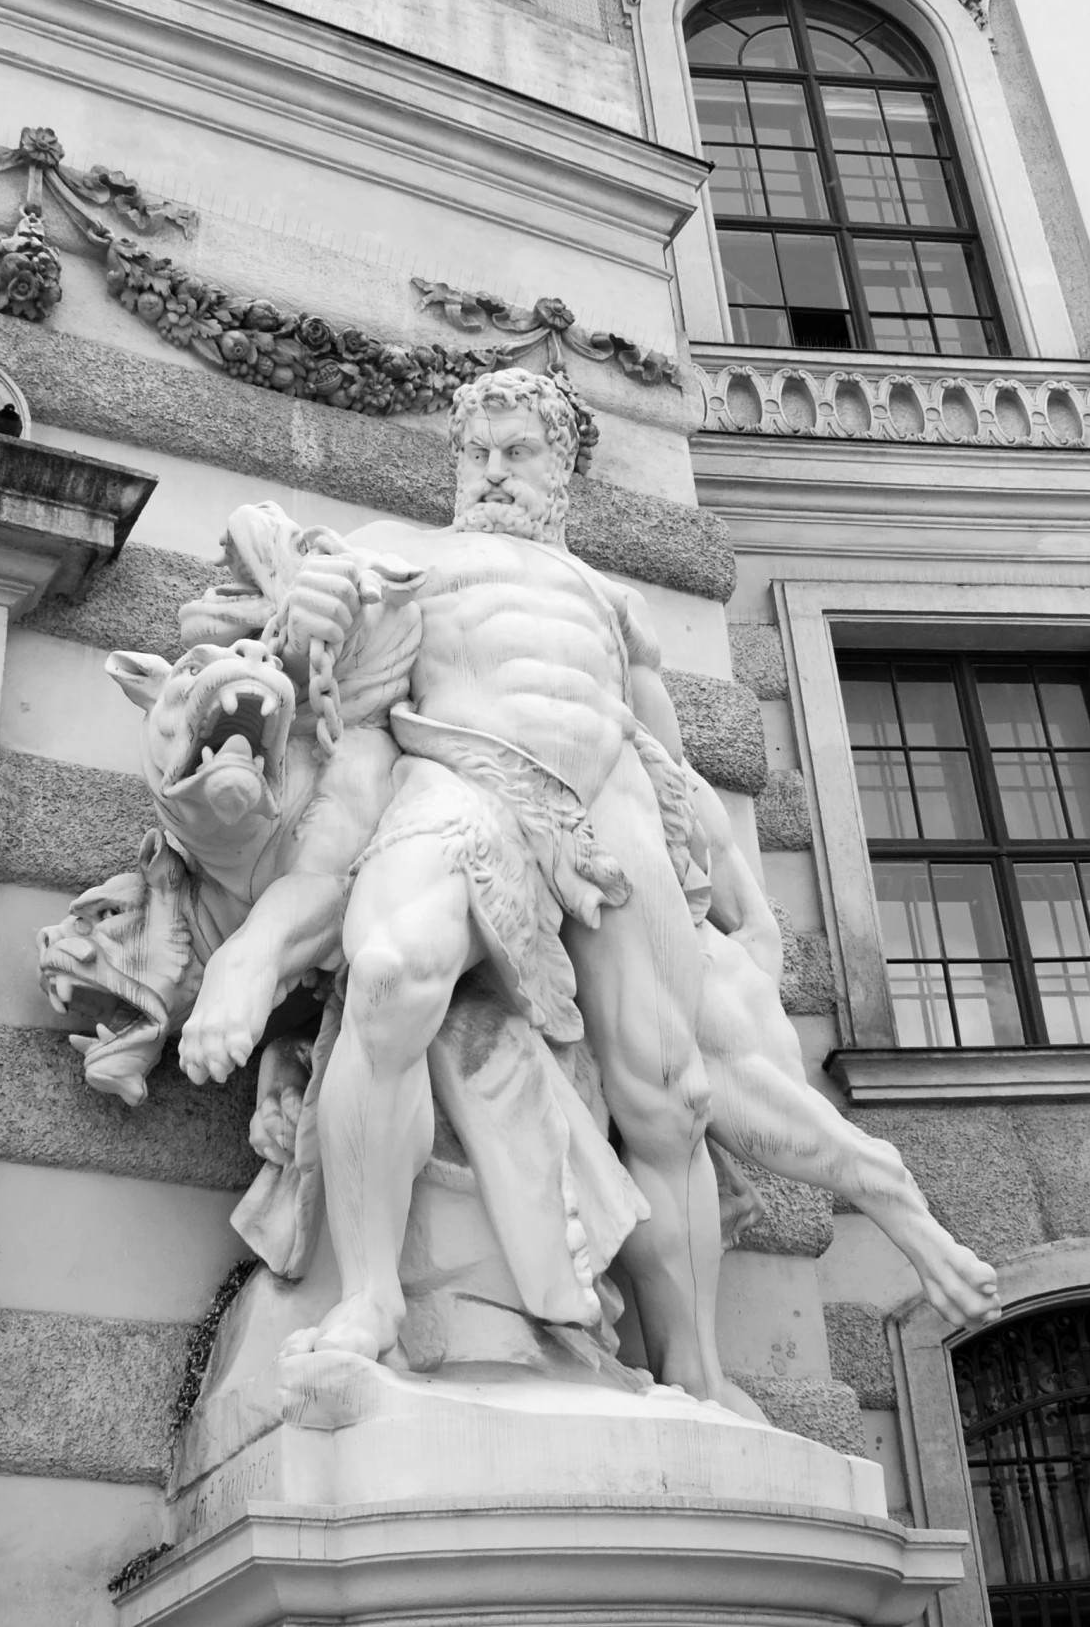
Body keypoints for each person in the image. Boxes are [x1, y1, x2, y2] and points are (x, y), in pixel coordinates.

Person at [184, 366, 735, 1402]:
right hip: (461, 775)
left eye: (516, 450)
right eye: (473, 452)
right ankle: (373, 1298)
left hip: (608, 813)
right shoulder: (401, 547)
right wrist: (301, 615)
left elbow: (676, 771)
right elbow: (272, 648)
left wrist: (732, 905)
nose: (489, 471)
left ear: (561, 467)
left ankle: (695, 1369)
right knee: (390, 973)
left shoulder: (618, 603)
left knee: (670, 1096)